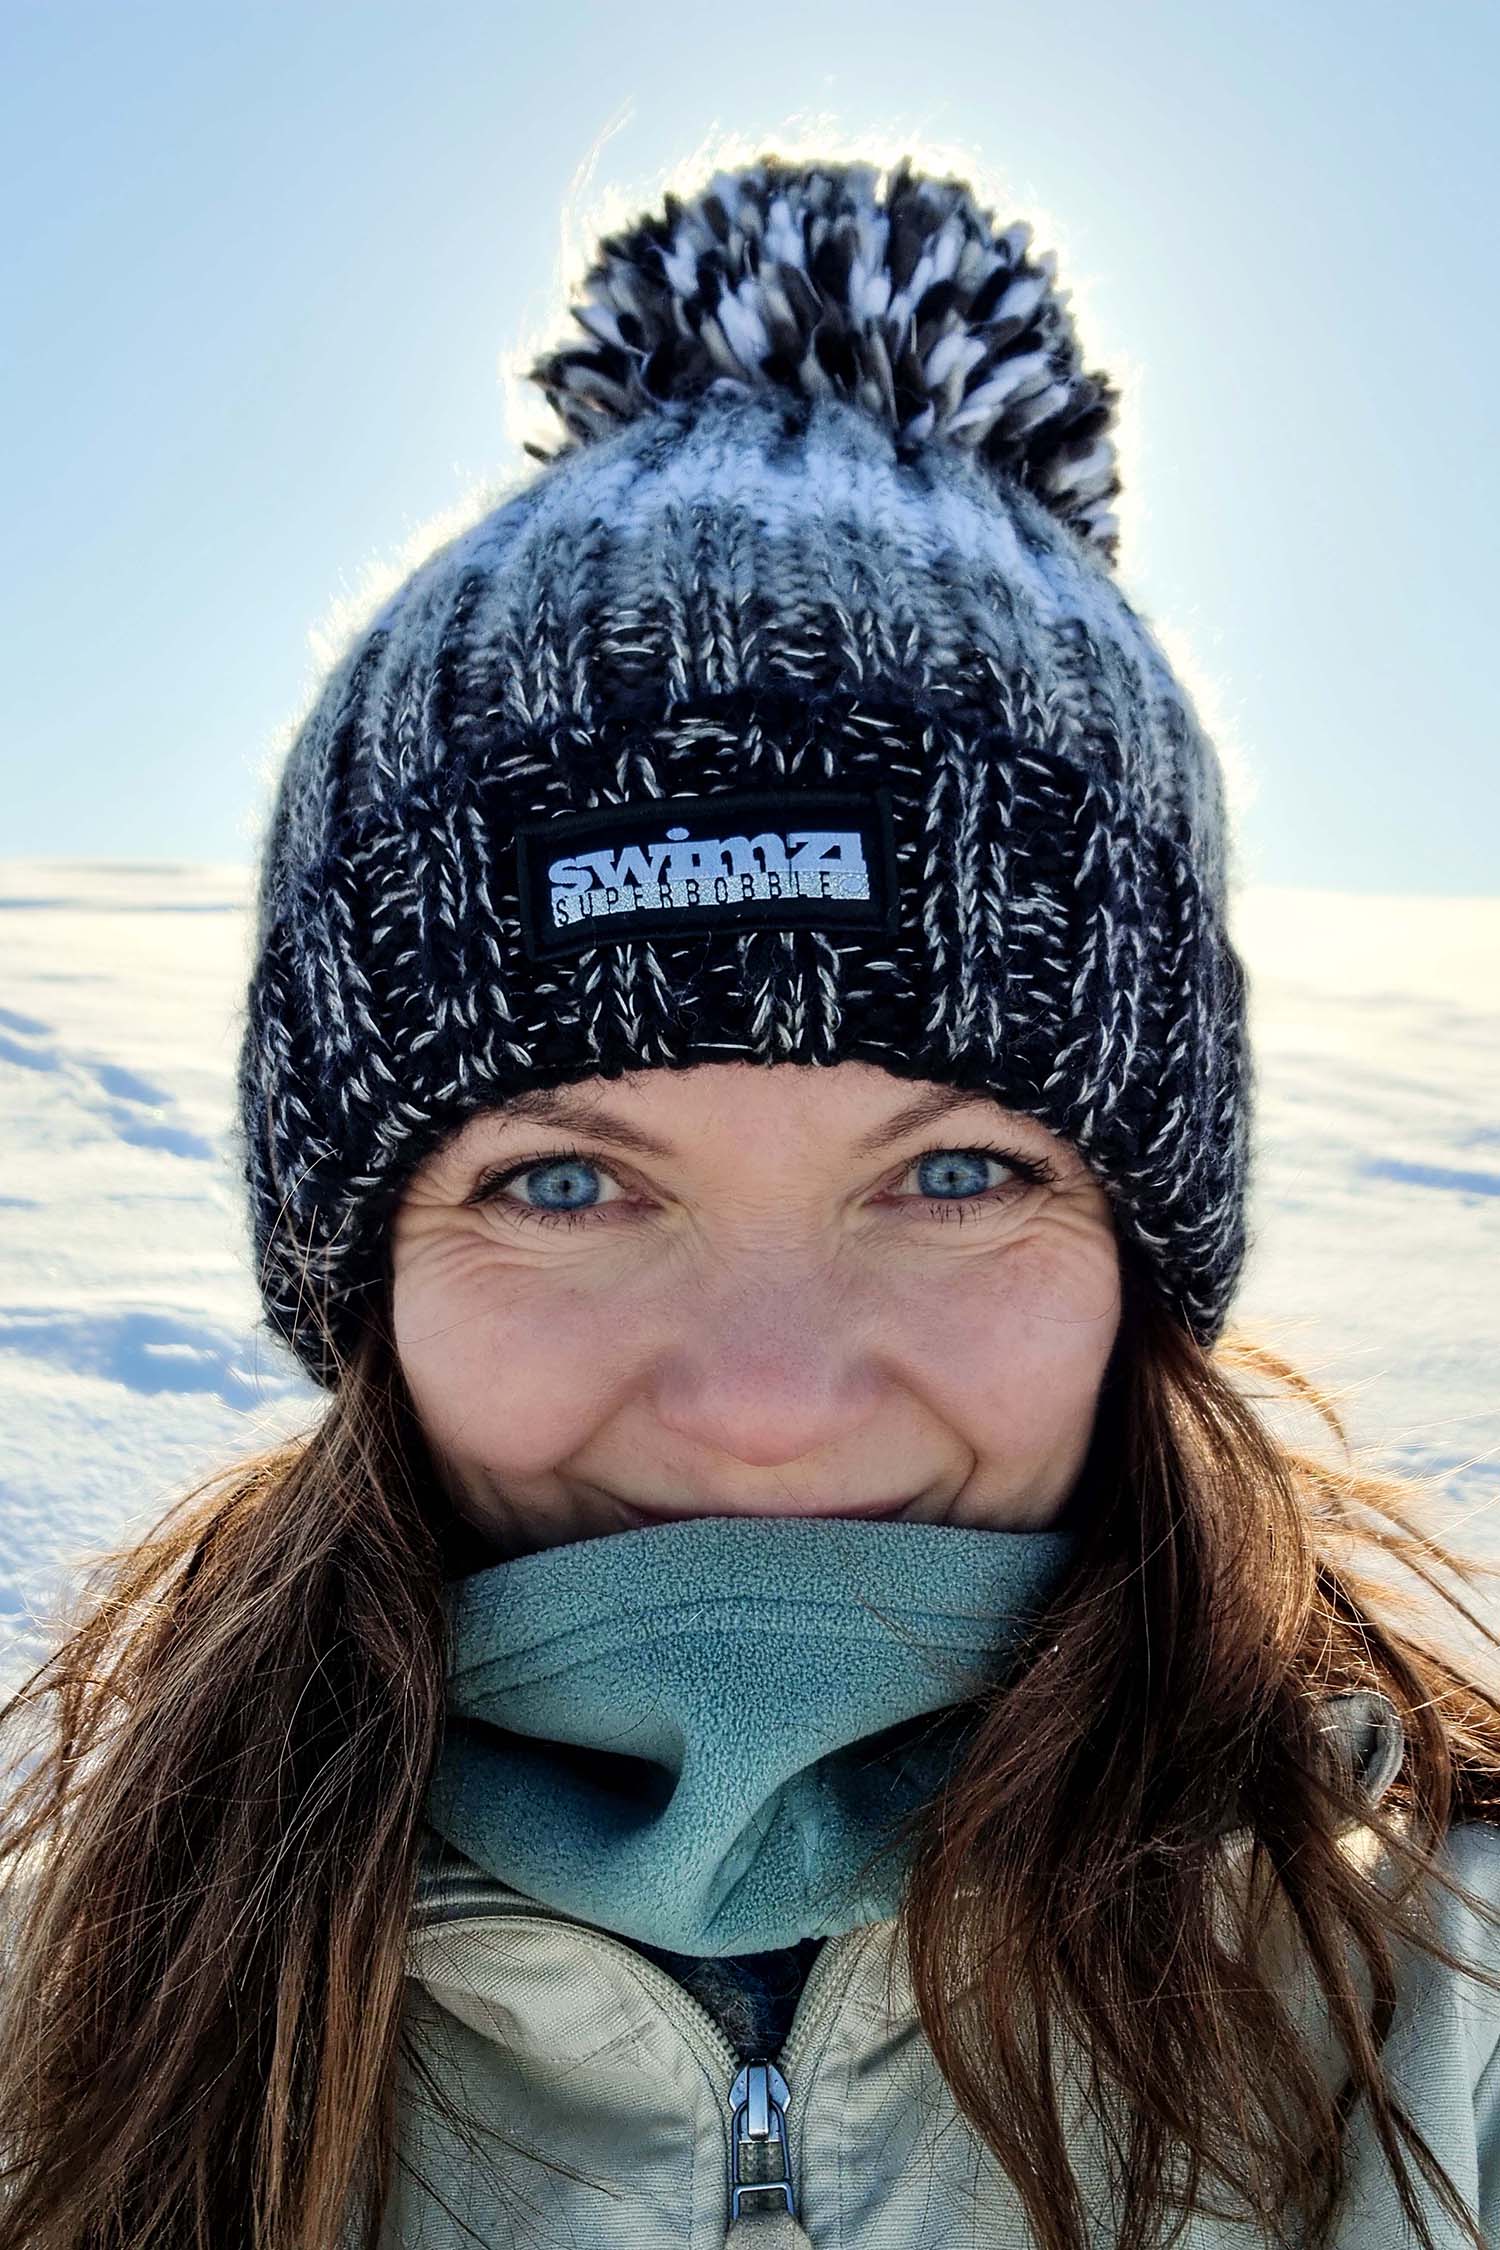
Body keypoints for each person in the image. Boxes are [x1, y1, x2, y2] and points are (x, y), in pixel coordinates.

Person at [1, 150, 1499, 2250]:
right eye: (565, 1181)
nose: (770, 1411)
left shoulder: (1448, 2013)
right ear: (359, 1281)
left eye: (957, 1172)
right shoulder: (62, 2014)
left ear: (1146, 1261)